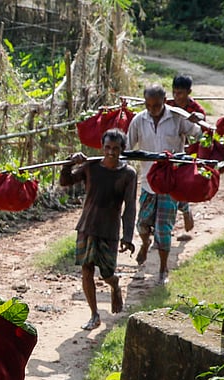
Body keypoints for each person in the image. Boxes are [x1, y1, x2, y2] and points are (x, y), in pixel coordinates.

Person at [60, 129, 138, 331]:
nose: (111, 152)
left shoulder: (128, 174)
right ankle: (94, 314)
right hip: (87, 227)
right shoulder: (91, 166)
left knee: (106, 274)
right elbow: (65, 181)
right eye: (108, 148)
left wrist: (127, 237)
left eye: (116, 148)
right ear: (102, 148)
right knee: (86, 270)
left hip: (109, 230)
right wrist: (70, 162)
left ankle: (115, 285)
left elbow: (130, 207)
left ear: (123, 150)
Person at [127, 82, 202, 285]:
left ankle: (162, 269)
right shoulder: (138, 121)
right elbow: (127, 147)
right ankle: (144, 243)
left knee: (163, 228)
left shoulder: (177, 118)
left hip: (171, 183)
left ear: (164, 101)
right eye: (148, 106)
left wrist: (199, 124)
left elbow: (198, 133)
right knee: (142, 223)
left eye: (157, 106)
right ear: (144, 103)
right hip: (148, 183)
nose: (152, 110)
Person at [171, 74, 207, 234]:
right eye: (174, 92)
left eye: (180, 93)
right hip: (169, 150)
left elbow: (202, 134)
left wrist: (198, 120)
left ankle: (184, 211)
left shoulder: (197, 111)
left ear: (189, 92)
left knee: (178, 185)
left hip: (187, 154)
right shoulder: (169, 105)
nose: (176, 97)